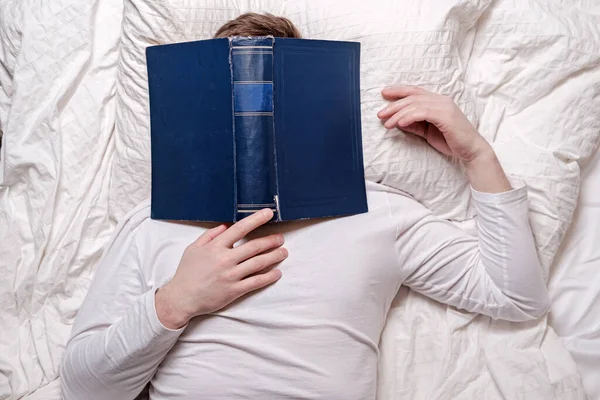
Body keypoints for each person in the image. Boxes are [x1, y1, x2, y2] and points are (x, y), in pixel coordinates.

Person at [61, 13, 549, 400]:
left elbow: (516, 298)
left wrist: (476, 154)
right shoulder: (154, 220)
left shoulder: (377, 212)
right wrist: (176, 301)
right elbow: (84, 392)